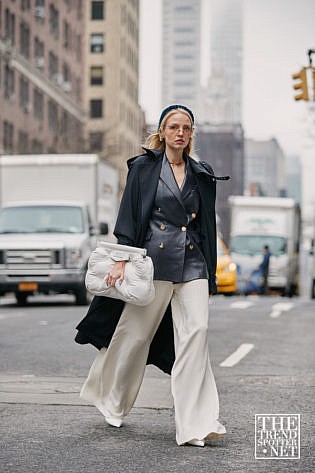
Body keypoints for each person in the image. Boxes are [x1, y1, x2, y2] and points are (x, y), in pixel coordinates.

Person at [75, 104, 227, 447]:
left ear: (191, 134)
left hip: (192, 262)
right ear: (162, 131)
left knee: (197, 334)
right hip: (152, 263)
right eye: (174, 127)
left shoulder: (202, 172)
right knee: (135, 335)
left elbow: (204, 224)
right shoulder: (143, 168)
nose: (181, 133)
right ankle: (112, 400)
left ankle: (195, 424)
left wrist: (211, 271)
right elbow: (129, 215)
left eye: (187, 128)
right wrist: (122, 260)